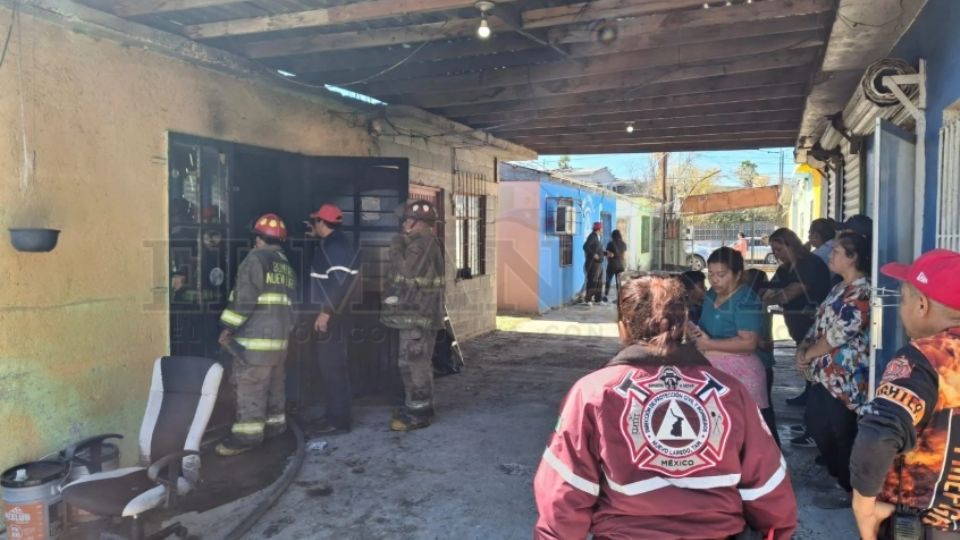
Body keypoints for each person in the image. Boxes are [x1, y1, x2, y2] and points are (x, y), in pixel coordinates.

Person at [533, 275, 796, 539]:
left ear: (623, 328)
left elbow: (565, 491)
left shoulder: (594, 392)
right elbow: (768, 484)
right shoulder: (730, 391)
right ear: (682, 327)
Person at [849, 249, 960, 540]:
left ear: (921, 305)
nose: (900, 309)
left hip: (923, 527)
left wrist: (864, 507)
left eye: (903, 299)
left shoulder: (923, 358)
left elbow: (879, 433)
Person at [794, 232, 872, 509]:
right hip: (824, 375)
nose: (831, 255)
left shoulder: (863, 291)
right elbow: (819, 325)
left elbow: (838, 335)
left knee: (842, 433)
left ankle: (849, 488)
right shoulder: (839, 288)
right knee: (818, 425)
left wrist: (806, 354)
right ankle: (839, 477)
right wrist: (802, 347)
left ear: (853, 258)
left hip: (845, 378)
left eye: (838, 251)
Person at [216, 213, 297, 456]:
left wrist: (227, 327)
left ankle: (247, 437)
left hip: (255, 340)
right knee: (274, 383)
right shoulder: (285, 265)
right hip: (279, 341)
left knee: (250, 384)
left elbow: (244, 299)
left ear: (259, 239)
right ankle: (275, 427)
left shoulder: (255, 259)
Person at [688, 248, 774, 435]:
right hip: (713, 372)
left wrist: (708, 345)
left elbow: (748, 343)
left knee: (751, 434)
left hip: (742, 374)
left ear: (737, 274)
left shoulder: (746, 300)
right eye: (710, 274)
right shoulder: (711, 294)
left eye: (721, 274)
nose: (714, 280)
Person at [381, 200, 445, 431]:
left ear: (419, 222)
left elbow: (405, 269)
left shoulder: (421, 244)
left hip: (418, 317)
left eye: (408, 219)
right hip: (413, 316)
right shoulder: (423, 243)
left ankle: (421, 413)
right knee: (407, 363)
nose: (404, 224)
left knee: (416, 364)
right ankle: (414, 406)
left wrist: (396, 244)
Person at [762, 227, 831, 427]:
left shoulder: (809, 264)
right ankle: (808, 396)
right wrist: (766, 294)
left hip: (814, 325)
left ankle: (815, 417)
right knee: (805, 364)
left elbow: (791, 292)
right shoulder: (785, 269)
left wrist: (769, 300)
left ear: (791, 245)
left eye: (780, 249)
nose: (777, 255)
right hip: (796, 322)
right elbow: (771, 287)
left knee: (814, 363)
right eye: (774, 251)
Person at [307, 203, 359, 435]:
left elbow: (340, 283)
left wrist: (326, 313)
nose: (312, 226)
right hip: (336, 315)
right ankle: (333, 415)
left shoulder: (336, 247)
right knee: (329, 367)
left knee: (333, 368)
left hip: (334, 317)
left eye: (315, 222)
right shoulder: (334, 243)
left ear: (321, 223)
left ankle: (339, 421)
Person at [744, 268, 779, 447]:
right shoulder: (759, 304)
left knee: (762, 411)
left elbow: (759, 340)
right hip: (764, 363)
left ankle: (770, 449)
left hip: (758, 363)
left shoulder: (750, 304)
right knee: (765, 409)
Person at [583, 222, 605, 304]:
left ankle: (598, 299)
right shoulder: (592, 237)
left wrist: (606, 253)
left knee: (599, 282)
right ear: (598, 229)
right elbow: (585, 247)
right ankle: (588, 299)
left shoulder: (596, 237)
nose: (602, 230)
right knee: (592, 281)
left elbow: (598, 250)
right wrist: (593, 255)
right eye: (601, 228)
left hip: (599, 264)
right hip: (593, 264)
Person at [603, 229, 627, 303]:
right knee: (619, 282)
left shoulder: (610, 243)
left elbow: (607, 254)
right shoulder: (623, 244)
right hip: (621, 265)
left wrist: (609, 261)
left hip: (612, 264)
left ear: (613, 236)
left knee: (608, 280)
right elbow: (625, 255)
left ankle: (605, 296)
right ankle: (620, 298)